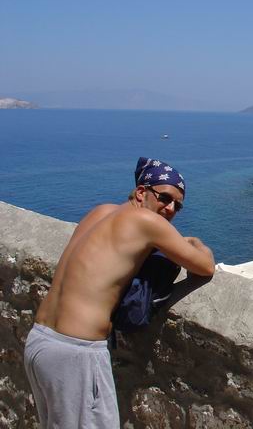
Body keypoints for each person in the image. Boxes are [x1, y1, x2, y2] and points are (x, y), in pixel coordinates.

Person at [23, 157, 215, 428]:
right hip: (75, 351)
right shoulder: (147, 222)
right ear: (141, 192)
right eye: (164, 198)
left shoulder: (100, 212)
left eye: (178, 205)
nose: (171, 208)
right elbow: (205, 267)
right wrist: (197, 242)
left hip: (40, 341)